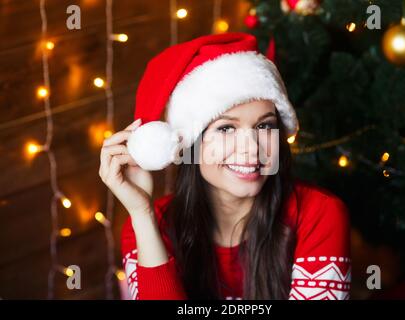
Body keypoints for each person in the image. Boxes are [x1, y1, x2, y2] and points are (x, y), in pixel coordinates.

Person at [99, 32, 351, 300]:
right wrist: (142, 214)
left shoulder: (319, 213)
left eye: (265, 125)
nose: (252, 148)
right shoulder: (150, 224)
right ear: (190, 143)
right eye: (227, 128)